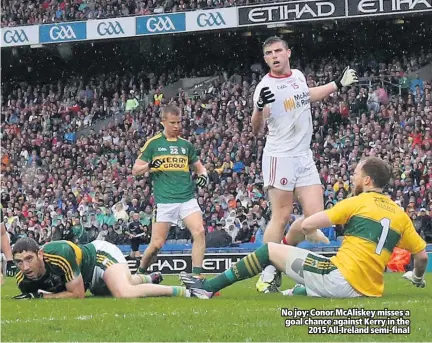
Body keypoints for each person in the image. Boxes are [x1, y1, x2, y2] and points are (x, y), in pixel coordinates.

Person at [180, 157, 428, 298]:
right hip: (369, 289)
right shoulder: (399, 214)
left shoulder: (356, 202)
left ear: (367, 180)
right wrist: (417, 278)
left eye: (355, 174)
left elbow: (309, 222)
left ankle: (208, 289)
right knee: (308, 282)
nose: (352, 178)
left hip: (340, 278)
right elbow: (421, 255)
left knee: (269, 250)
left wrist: (307, 229)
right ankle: (293, 292)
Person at [251, 36, 358, 293]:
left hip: (303, 155)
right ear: (265, 58)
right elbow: (257, 129)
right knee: (282, 215)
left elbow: (307, 96)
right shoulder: (264, 87)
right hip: (280, 156)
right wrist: (258, 108)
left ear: (288, 52)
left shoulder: (297, 75)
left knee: (315, 217)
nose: (274, 56)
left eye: (278, 51)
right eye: (269, 53)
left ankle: (285, 248)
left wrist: (337, 84)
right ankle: (267, 268)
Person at [132, 104, 207, 276]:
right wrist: (150, 166)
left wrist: (204, 176)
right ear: (163, 122)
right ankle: (140, 273)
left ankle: (197, 276)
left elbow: (200, 167)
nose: (177, 126)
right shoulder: (153, 144)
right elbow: (135, 170)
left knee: (199, 231)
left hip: (187, 198)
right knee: (156, 244)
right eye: (173, 122)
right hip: (165, 201)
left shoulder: (186, 145)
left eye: (179, 122)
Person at [12, 237, 208, 299]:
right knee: (113, 288)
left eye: (29, 259)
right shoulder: (24, 281)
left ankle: (188, 292)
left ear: (40, 254)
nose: (25, 267)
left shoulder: (60, 254)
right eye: (19, 262)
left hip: (99, 256)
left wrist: (41, 297)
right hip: (89, 279)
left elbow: (78, 294)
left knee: (123, 292)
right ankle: (150, 278)